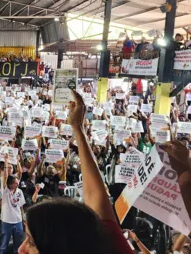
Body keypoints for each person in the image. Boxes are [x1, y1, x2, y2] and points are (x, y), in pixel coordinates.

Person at [18, 90, 133, 254]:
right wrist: (77, 128)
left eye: (32, 243)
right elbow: (96, 195)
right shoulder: (106, 241)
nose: (20, 250)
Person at [0, 154, 26, 254]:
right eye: (15, 183)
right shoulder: (5, 191)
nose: (17, 184)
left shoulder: (20, 191)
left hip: (18, 221)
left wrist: (22, 218)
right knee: (3, 246)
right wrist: (6, 161)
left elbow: (21, 206)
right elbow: (5, 176)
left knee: (18, 246)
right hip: (6, 222)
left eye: (17, 182)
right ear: (10, 184)